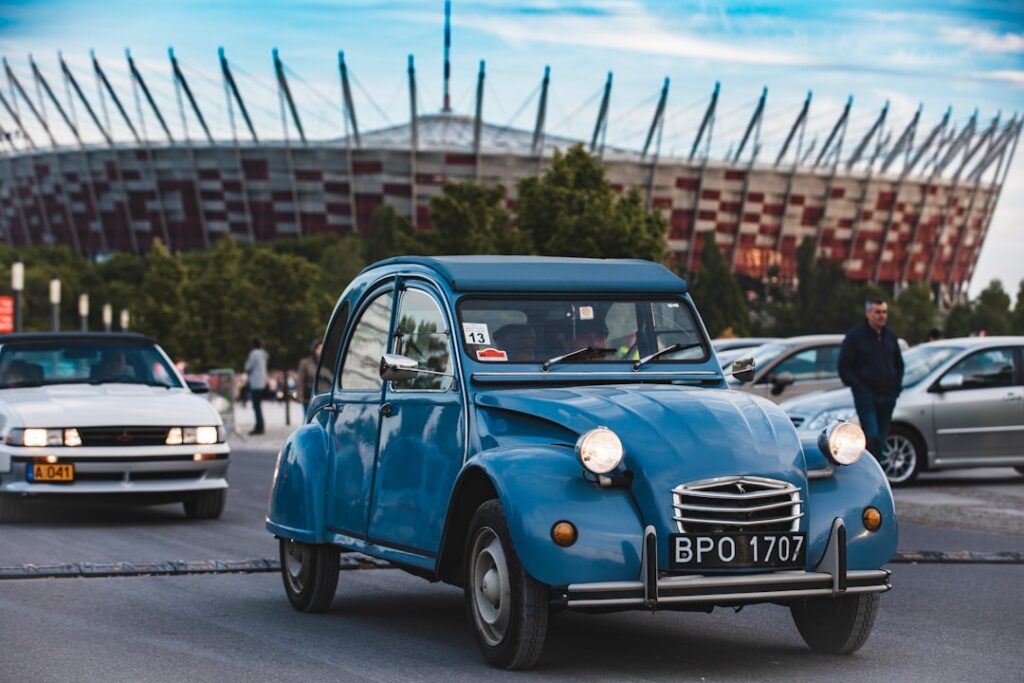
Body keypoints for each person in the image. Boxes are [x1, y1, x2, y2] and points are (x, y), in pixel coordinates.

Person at [838, 298, 904, 461]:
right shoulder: (855, 337)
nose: (881, 316)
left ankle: (879, 471)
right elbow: (844, 366)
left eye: (884, 312)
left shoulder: (890, 337)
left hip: (888, 396)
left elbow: (899, 364)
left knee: (881, 438)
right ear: (868, 313)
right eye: (877, 312)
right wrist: (859, 387)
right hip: (866, 396)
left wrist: (896, 388)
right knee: (872, 435)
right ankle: (871, 470)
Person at [244, 338, 269, 435]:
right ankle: (260, 425)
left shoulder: (254, 354)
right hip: (262, 382)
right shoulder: (263, 354)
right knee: (258, 406)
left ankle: (259, 426)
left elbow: (248, 368)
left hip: (255, 383)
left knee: (256, 406)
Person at [296, 340, 322, 418]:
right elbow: (300, 380)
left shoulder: (324, 363)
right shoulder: (305, 363)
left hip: (321, 395)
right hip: (309, 396)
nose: (321, 350)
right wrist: (299, 396)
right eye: (319, 348)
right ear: (314, 349)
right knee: (308, 418)